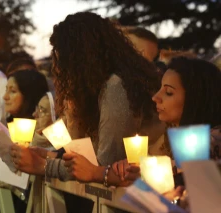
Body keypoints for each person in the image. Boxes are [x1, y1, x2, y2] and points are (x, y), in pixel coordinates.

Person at [10, 12, 164, 187]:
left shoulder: (117, 86)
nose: (60, 68)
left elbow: (102, 165)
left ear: (81, 58)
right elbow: (80, 153)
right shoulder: (93, 89)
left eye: (64, 59)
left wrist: (42, 165)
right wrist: (49, 155)